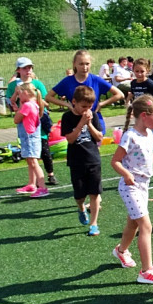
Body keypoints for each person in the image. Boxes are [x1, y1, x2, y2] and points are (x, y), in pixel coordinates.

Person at [110, 95, 153, 285]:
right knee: (146, 226)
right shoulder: (130, 136)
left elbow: (149, 160)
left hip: (144, 185)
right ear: (144, 116)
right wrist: (126, 174)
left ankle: (121, 251)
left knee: (134, 224)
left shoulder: (148, 135)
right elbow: (115, 161)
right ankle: (146, 271)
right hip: (131, 187)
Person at [61, 85, 104, 237]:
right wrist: (80, 124)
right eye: (83, 106)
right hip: (76, 161)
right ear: (74, 102)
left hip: (93, 160)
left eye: (90, 106)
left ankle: (94, 224)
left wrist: (89, 123)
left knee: (94, 193)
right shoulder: (67, 117)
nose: (87, 109)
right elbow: (70, 139)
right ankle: (81, 208)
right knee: (79, 196)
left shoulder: (93, 115)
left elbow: (99, 137)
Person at [46, 50, 125, 133]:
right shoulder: (67, 82)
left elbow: (120, 94)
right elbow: (49, 97)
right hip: (75, 123)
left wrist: (101, 104)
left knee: (94, 145)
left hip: (94, 122)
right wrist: (67, 105)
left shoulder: (96, 80)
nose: (84, 67)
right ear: (74, 64)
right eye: (81, 64)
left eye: (87, 64)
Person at [7, 57, 57, 185]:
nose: (28, 70)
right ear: (18, 70)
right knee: (30, 155)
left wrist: (41, 108)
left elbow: (43, 99)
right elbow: (10, 101)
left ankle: (49, 175)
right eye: (24, 68)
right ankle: (32, 182)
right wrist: (15, 98)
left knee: (43, 148)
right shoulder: (13, 85)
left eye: (29, 67)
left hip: (36, 119)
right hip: (25, 121)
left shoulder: (37, 83)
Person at [12, 83, 49, 198]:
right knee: (30, 161)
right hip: (32, 136)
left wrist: (17, 110)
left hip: (29, 137)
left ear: (26, 93)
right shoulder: (34, 104)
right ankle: (32, 184)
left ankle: (42, 187)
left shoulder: (27, 105)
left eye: (19, 94)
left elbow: (16, 120)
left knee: (33, 162)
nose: (18, 97)